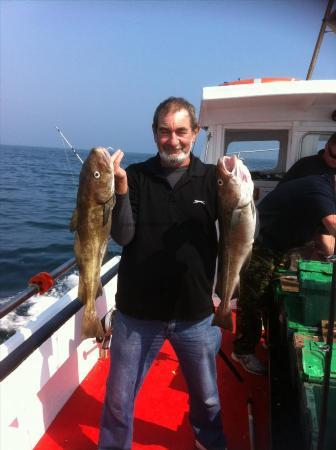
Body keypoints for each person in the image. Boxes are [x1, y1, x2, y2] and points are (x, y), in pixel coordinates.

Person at [98, 97, 227, 450]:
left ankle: (210, 444)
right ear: (154, 134)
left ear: (196, 133)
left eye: (181, 131)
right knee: (119, 401)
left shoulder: (214, 179)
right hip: (137, 314)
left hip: (195, 314)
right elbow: (122, 236)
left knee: (208, 399)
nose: (173, 140)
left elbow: (238, 233)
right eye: (165, 131)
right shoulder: (135, 177)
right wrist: (120, 189)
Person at [231, 173, 336, 375]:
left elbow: (323, 234)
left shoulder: (327, 194)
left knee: (273, 296)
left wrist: (332, 258)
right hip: (263, 244)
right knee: (253, 299)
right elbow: (332, 224)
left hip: (282, 247)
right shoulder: (319, 188)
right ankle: (243, 350)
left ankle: (266, 340)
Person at [279, 132, 336, 259]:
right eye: (334, 156)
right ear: (326, 147)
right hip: (303, 228)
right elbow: (283, 193)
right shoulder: (305, 166)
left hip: (329, 228)